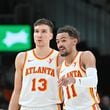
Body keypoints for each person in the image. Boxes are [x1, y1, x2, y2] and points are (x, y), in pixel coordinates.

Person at [8, 18, 63, 110]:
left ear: (51, 36)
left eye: (44, 31)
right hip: (26, 107)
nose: (39, 35)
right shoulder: (22, 57)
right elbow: (17, 91)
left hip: (50, 106)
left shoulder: (60, 58)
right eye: (36, 31)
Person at [56, 25, 101, 110]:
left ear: (74, 41)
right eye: (58, 42)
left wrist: (74, 80)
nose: (60, 44)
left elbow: (93, 81)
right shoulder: (59, 69)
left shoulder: (85, 56)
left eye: (63, 40)